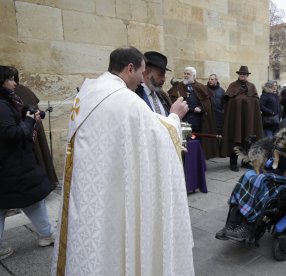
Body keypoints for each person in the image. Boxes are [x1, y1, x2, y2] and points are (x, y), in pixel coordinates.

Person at [50, 46, 195, 276]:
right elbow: (159, 135)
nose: (141, 78)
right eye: (141, 71)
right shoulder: (125, 100)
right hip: (112, 187)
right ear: (130, 68)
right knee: (116, 239)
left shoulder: (89, 92)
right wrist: (176, 117)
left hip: (88, 185)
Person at [216, 94, 286, 240]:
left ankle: (248, 228)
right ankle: (233, 223)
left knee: (259, 182)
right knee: (248, 177)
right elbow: (273, 145)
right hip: (280, 170)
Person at [0, 65, 55, 261]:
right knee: (32, 200)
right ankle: (46, 234)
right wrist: (30, 121)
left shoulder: (7, 101)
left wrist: (29, 113)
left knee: (14, 204)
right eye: (10, 79)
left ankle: (46, 234)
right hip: (12, 165)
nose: (15, 83)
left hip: (10, 166)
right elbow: (11, 133)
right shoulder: (1, 104)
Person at [10, 67, 59, 186]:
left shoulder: (13, 93)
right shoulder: (25, 89)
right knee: (40, 154)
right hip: (31, 127)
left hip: (27, 128)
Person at [168, 67, 219, 159]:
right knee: (182, 142)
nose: (186, 76)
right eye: (185, 73)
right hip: (183, 120)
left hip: (196, 121)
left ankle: (195, 162)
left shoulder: (200, 87)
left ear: (194, 76)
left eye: (188, 74)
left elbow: (207, 104)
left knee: (195, 142)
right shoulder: (178, 87)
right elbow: (172, 101)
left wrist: (201, 107)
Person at [220, 66, 263, 172]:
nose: (242, 75)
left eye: (244, 74)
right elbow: (229, 101)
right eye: (241, 74)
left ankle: (245, 162)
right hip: (235, 119)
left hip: (248, 119)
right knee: (235, 139)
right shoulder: (232, 86)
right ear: (238, 75)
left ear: (247, 75)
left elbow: (255, 102)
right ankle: (233, 163)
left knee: (247, 139)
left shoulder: (252, 86)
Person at [135, 51, 172, 116]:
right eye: (161, 74)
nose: (164, 79)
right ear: (146, 72)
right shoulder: (135, 95)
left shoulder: (163, 96)